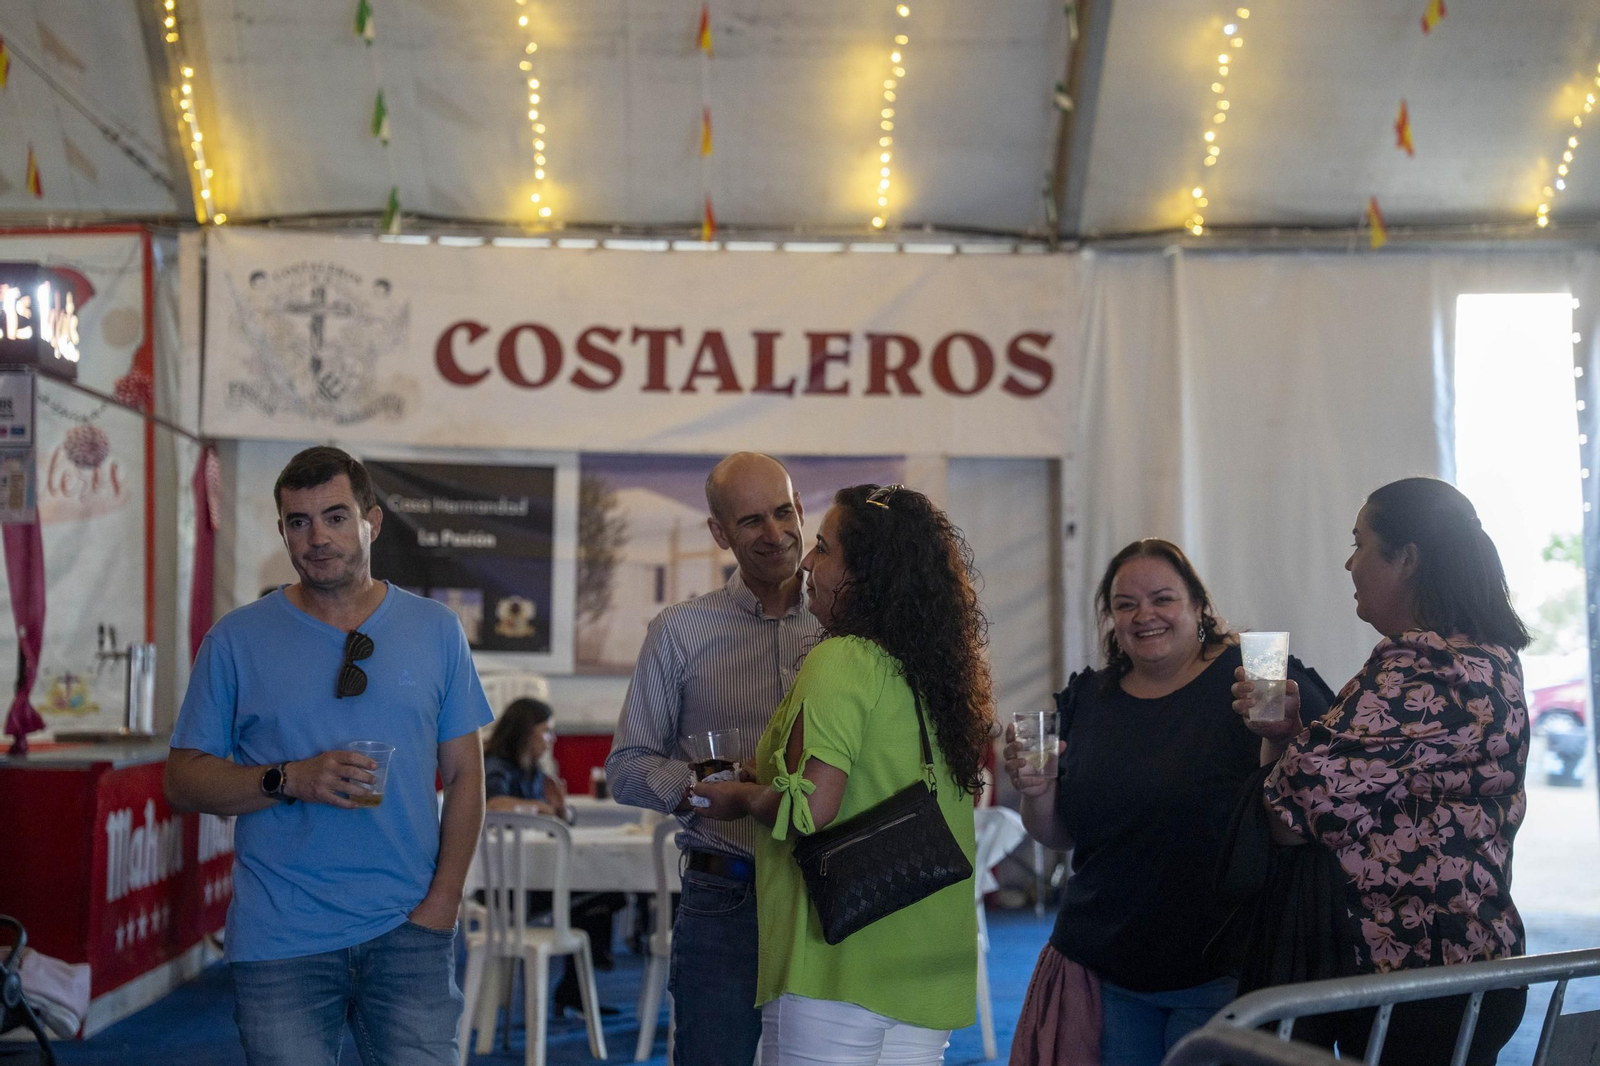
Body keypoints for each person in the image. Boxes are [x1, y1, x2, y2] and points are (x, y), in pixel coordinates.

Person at [165, 446, 491, 1066]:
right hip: (281, 936)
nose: (317, 537)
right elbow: (182, 782)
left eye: (336, 517)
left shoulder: (435, 629)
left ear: (372, 522)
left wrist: (443, 902)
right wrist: (288, 778)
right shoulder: (235, 639)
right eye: (299, 521)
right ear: (283, 531)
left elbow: (465, 775)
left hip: (408, 928)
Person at [1233, 478, 1530, 1066]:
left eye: (1359, 543)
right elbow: (1368, 788)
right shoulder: (1488, 659)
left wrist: (1287, 751)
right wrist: (1290, 735)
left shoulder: (1426, 669)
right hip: (1467, 961)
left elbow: (1288, 817)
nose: (1350, 563)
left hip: (1417, 979)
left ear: (1407, 559)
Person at [694, 483, 992, 1065]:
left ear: (867, 573)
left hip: (837, 957)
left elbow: (810, 809)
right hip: (928, 956)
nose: (806, 561)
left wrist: (743, 797)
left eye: (825, 548)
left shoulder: (842, 658)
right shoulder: (939, 672)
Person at [1005, 538, 1333, 1066]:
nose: (1144, 616)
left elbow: (1324, 793)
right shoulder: (1090, 698)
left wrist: (1282, 736)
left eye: (1163, 599)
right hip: (1109, 967)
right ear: (1111, 618)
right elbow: (1060, 833)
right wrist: (1037, 793)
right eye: (1125, 604)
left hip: (1223, 969)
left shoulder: (1256, 680)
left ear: (1199, 605)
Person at [605, 451, 823, 1065]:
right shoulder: (680, 632)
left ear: (800, 510)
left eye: (783, 512)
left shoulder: (846, 629)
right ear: (719, 532)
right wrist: (707, 788)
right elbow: (627, 766)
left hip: (826, 891)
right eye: (751, 521)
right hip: (727, 894)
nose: (775, 533)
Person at [482, 696, 625, 1018]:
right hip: (505, 886)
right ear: (524, 732)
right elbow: (492, 806)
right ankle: (581, 977)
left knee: (603, 894)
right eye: (546, 731)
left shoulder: (533, 772)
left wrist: (560, 809)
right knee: (602, 895)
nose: (552, 739)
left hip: (530, 876)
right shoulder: (496, 766)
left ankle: (577, 982)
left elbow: (552, 816)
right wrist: (543, 808)